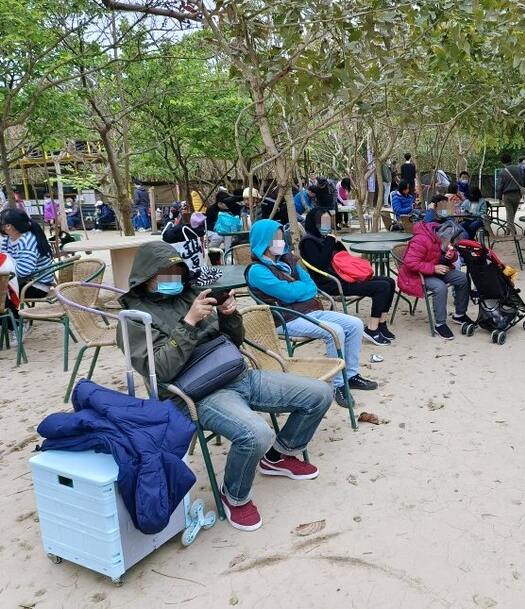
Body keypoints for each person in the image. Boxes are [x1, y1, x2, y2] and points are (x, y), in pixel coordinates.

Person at [118, 241, 332, 532]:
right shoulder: (134, 320)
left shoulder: (191, 293)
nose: (173, 279)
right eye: (164, 273)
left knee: (320, 393)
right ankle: (234, 496)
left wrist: (230, 315)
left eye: (177, 271)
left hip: (237, 373)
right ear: (146, 277)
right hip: (197, 394)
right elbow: (161, 369)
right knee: (256, 433)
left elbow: (234, 342)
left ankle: (279, 455)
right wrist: (190, 322)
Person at [246, 219, 378, 405]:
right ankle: (338, 385)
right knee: (335, 332)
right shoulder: (257, 271)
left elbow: (311, 286)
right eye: (275, 238)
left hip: (310, 310)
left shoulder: (287, 260)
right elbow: (287, 293)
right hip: (285, 319)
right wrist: (300, 290)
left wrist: (298, 291)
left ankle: (351, 375)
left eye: (280, 237)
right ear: (263, 241)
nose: (281, 241)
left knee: (355, 324)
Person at [299, 209, 396, 346]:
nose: (326, 226)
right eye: (323, 222)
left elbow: (344, 257)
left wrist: (334, 242)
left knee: (390, 281)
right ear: (314, 223)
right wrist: (329, 242)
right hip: (332, 283)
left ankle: (381, 324)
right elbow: (320, 264)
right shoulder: (308, 242)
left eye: (328, 222)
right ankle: (372, 329)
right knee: (382, 287)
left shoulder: (325, 238)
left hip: (345, 277)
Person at [398, 220, 471, 340]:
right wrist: (433, 268)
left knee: (462, 278)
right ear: (444, 237)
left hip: (436, 270)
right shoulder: (421, 240)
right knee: (440, 287)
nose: (452, 245)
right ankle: (440, 324)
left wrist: (451, 256)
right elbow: (410, 263)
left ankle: (459, 314)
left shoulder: (443, 240)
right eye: (451, 243)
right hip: (416, 275)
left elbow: (452, 255)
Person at [0, 207, 54, 309]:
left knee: (2, 294)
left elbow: (24, 271)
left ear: (9, 226)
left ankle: (13, 323)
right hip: (21, 281)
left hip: (35, 285)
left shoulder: (27, 240)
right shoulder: (7, 240)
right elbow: (3, 261)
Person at [496, 153, 524, 235]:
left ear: (502, 162)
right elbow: (522, 181)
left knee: (509, 214)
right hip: (517, 194)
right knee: (512, 214)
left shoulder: (503, 172)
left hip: (507, 195)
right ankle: (508, 230)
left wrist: (499, 197)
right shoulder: (519, 169)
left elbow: (500, 186)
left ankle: (512, 232)